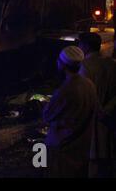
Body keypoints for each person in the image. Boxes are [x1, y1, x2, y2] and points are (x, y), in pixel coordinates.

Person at [43, 46, 98, 178]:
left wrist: (44, 105)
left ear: (63, 65)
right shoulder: (89, 84)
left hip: (63, 148)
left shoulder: (66, 90)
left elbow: (47, 116)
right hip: (82, 146)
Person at [78, 32, 116, 177]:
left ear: (86, 46)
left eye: (80, 44)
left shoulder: (84, 67)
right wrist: (108, 109)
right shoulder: (111, 64)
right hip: (109, 118)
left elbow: (85, 95)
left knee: (93, 161)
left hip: (93, 120)